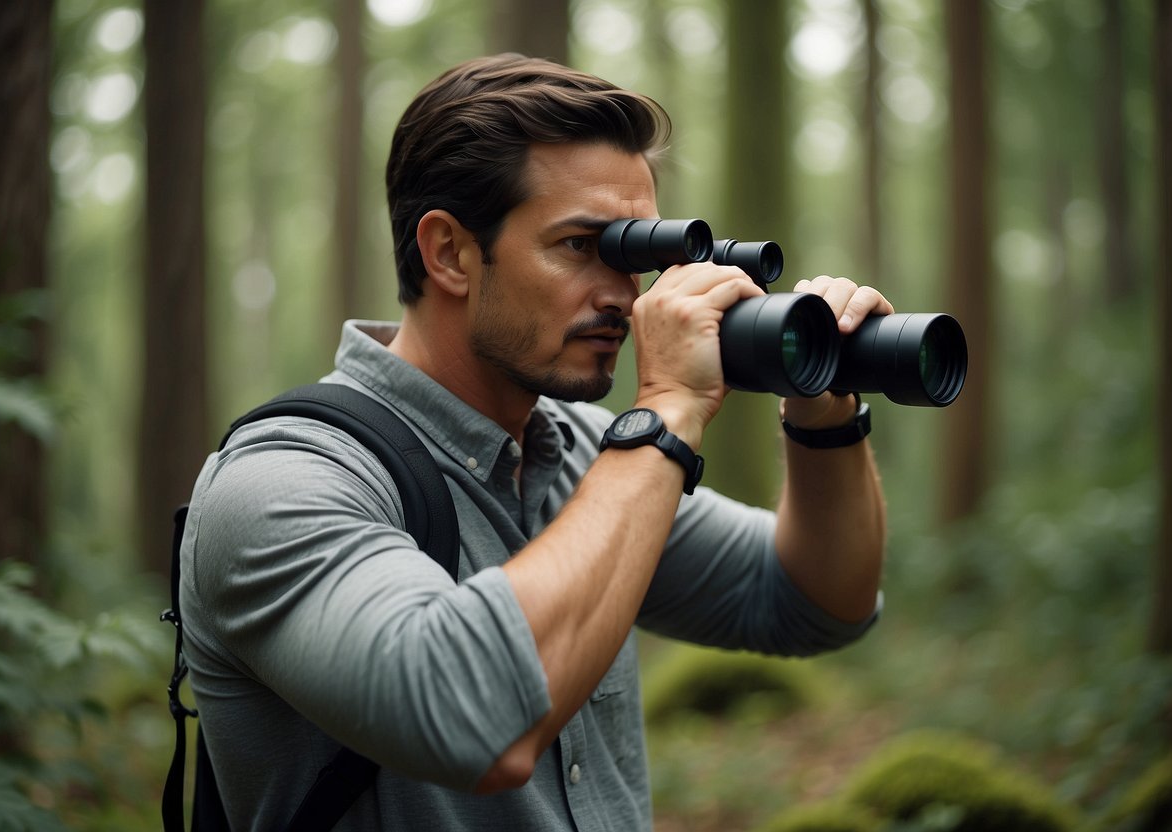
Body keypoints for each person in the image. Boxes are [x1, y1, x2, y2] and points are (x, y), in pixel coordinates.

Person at [179, 53, 893, 831]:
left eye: (635, 252)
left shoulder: (584, 457)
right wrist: (667, 413)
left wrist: (825, 418)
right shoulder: (285, 481)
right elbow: (470, 721)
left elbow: (816, 600)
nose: (624, 293)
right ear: (448, 251)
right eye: (581, 246)